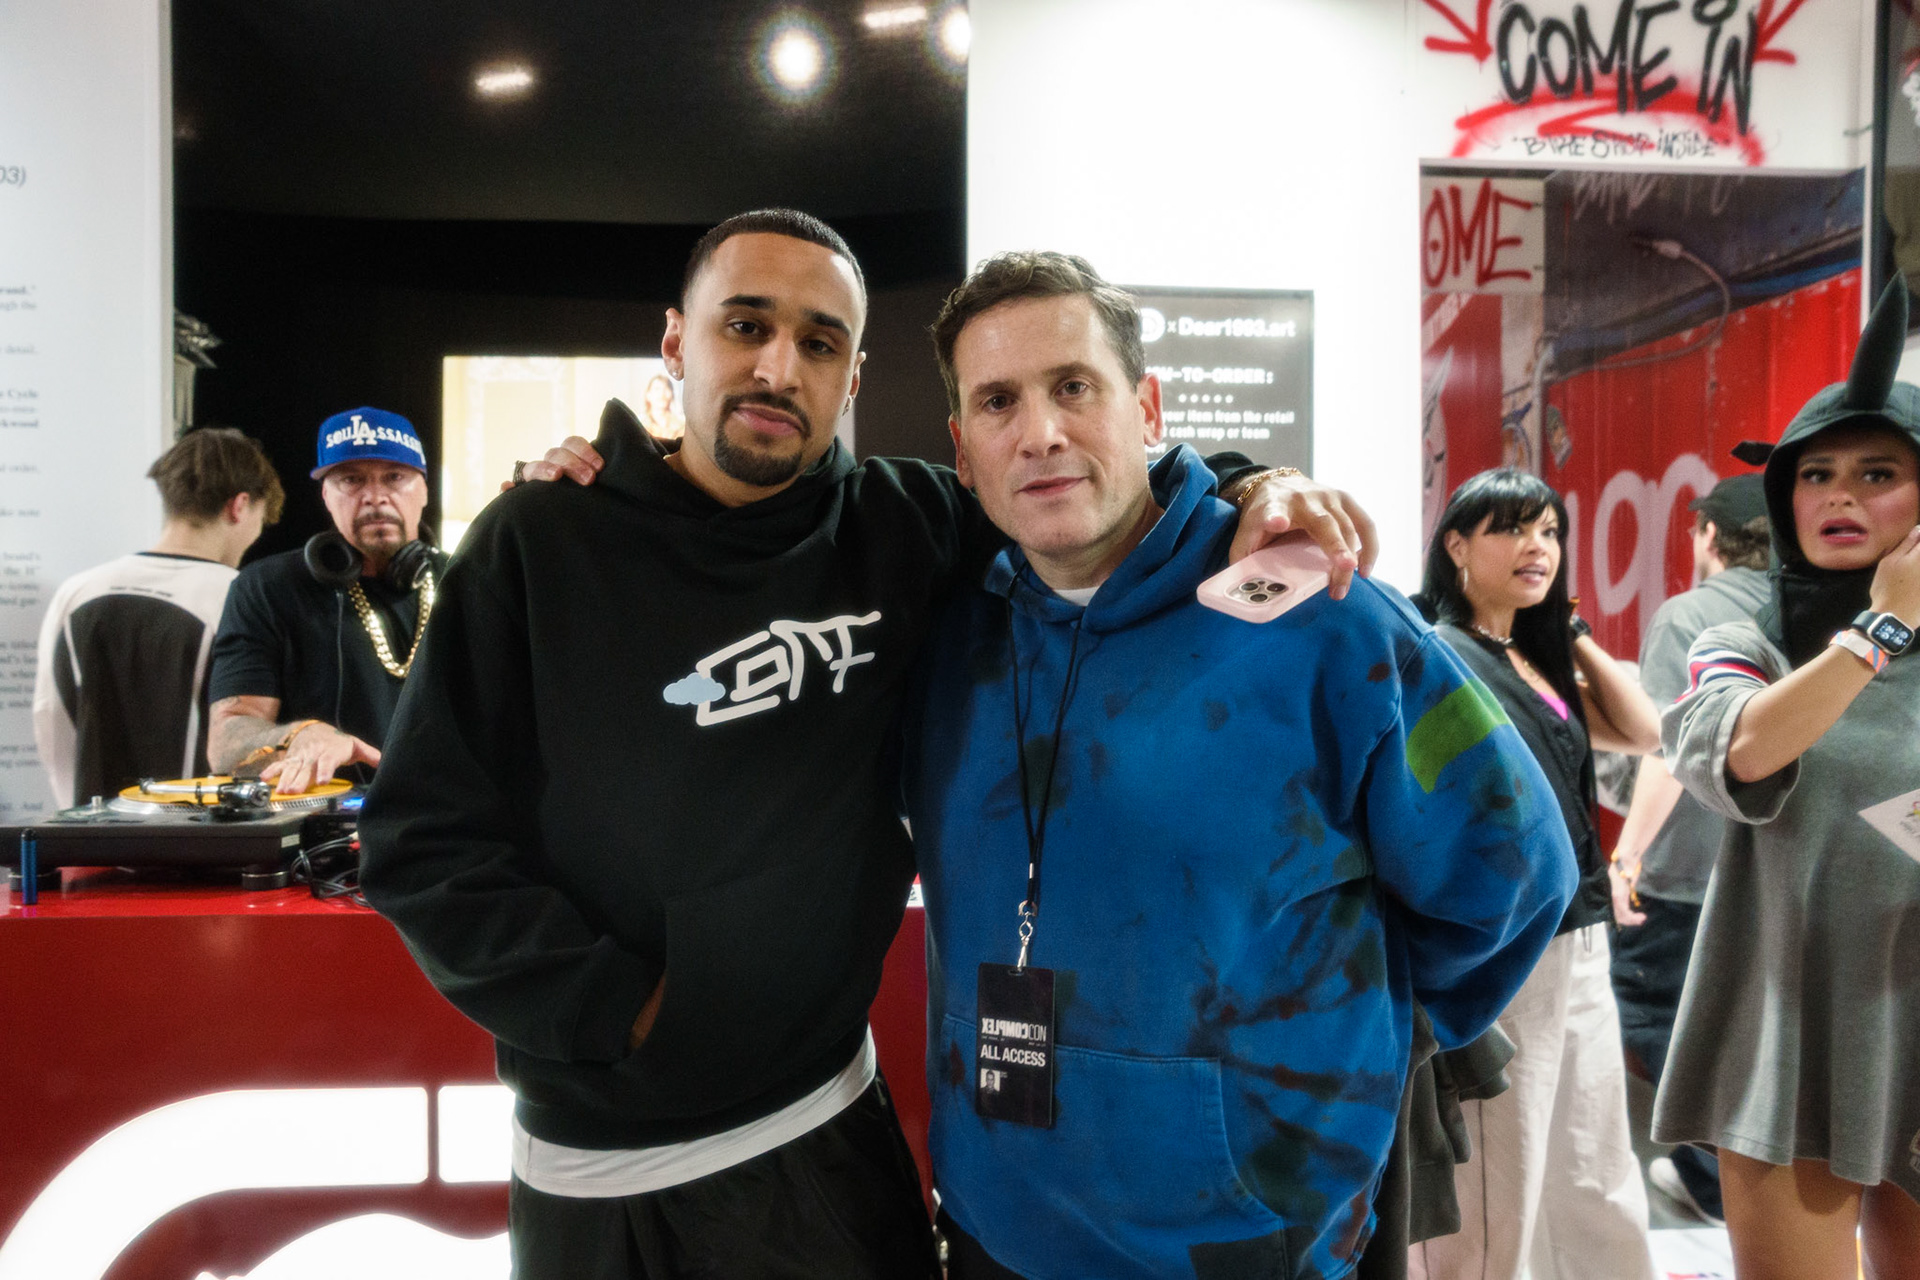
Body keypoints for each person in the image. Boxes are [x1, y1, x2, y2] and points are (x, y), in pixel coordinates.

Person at [356, 209, 1375, 1279]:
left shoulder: (905, 524)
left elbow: (1101, 493)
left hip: (829, 1131)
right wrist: (623, 1010)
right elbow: (421, 843)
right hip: (601, 1171)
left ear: (851, 377)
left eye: (819, 340)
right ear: (676, 341)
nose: (777, 366)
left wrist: (1255, 483)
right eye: (744, 325)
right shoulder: (536, 540)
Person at [900, 252, 1577, 1280]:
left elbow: (1516, 865)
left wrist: (1360, 1045)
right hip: (999, 1228)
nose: (1039, 433)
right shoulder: (950, 642)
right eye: (999, 401)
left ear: (1147, 406)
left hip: (1250, 1239)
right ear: (961, 446)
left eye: (1073, 386)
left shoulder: (1329, 617)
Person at [1656, 279, 1920, 1280]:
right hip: (1789, 1031)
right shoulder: (1744, 643)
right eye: (1816, 475)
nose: (1840, 495)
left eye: (1877, 473)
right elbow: (1742, 752)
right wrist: (1880, 628)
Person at [1412, 468, 1662, 1280]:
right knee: (1499, 1181)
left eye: (1550, 531)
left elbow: (1643, 730)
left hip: (1579, 939)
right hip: (1506, 946)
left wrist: (1571, 627)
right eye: (1512, 529)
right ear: (1457, 547)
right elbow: (1425, 800)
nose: (1538, 547)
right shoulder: (1441, 656)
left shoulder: (1528, 656)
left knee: (1593, 1168)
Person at [1606, 471, 1770, 1228]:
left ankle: (1715, 1186)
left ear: (1708, 536)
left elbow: (1669, 751)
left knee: (1660, 1023)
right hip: (1773, 875)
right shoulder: (1813, 611)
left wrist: (1627, 857)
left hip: (1685, 875)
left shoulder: (1690, 616)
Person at [32, 427, 284, 808]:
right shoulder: (241, 596)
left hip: (88, 831)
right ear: (239, 506)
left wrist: (78, 811)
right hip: (205, 837)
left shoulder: (76, 591)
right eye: (260, 519)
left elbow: (50, 722)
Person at [206, 406, 447, 795]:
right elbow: (225, 745)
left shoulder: (464, 582)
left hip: (447, 816)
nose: (375, 497)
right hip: (320, 819)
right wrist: (299, 736)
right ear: (326, 496)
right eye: (351, 480)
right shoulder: (267, 587)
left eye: (395, 477)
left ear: (424, 489)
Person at [639, 372, 686, 439]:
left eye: (666, 389)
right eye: (657, 389)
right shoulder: (640, 425)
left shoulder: (681, 425)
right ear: (648, 395)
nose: (662, 394)